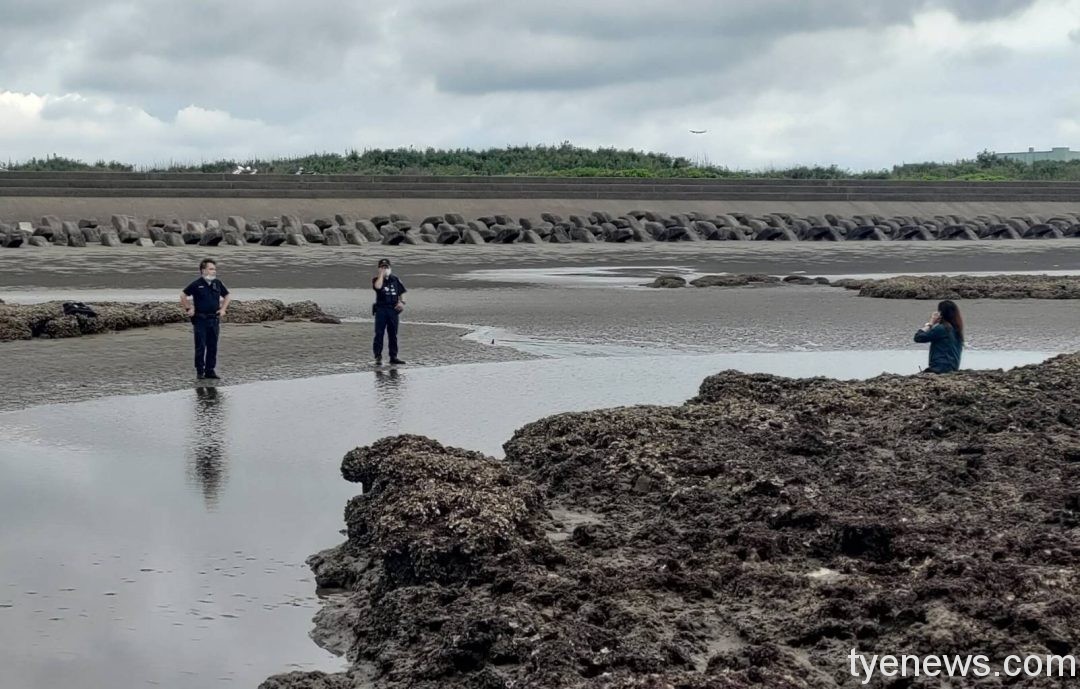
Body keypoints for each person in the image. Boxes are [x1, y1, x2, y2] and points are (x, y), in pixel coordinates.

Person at [181, 258, 231, 379]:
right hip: (200, 319)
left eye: (214, 269)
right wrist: (189, 308)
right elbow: (183, 295)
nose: (214, 271)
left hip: (214, 319)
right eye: (211, 269)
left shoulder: (217, 283)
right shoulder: (197, 284)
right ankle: (200, 371)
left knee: (212, 345)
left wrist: (223, 309)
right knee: (200, 346)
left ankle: (210, 370)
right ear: (203, 270)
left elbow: (227, 295)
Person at [372, 258, 406, 366]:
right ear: (379, 268)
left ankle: (393, 356)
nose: (384, 269)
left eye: (386, 267)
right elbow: (378, 286)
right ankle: (378, 356)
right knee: (379, 333)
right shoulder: (376, 279)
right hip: (381, 309)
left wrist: (402, 302)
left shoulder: (395, 279)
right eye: (382, 267)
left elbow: (402, 292)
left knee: (393, 334)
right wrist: (381, 275)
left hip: (393, 309)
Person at [914, 300, 964, 373]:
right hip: (952, 367)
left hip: (939, 368)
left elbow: (918, 337)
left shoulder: (942, 328)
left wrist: (930, 323)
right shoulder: (956, 329)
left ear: (941, 314)